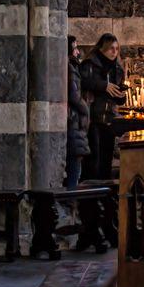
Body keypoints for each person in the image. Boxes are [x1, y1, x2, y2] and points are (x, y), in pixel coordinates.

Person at [79, 33, 127, 180]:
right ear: (102, 48)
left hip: (109, 119)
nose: (114, 52)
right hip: (92, 118)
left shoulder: (117, 68)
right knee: (93, 160)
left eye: (117, 48)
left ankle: (105, 194)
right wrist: (103, 85)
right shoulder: (89, 64)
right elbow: (82, 81)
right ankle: (92, 198)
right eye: (111, 48)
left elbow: (116, 95)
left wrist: (121, 96)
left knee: (106, 159)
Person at [66, 36, 91, 190]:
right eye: (74, 48)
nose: (78, 52)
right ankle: (70, 201)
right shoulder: (69, 68)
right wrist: (85, 108)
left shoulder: (73, 67)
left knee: (76, 167)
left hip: (75, 121)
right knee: (74, 168)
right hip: (73, 121)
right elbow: (74, 95)